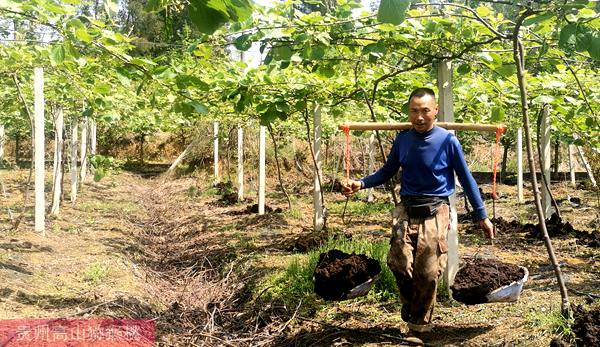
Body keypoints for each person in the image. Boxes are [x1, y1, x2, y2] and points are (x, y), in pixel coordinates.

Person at [342, 87, 494, 333]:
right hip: (406, 208)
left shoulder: (448, 140)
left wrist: (482, 216)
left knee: (428, 271)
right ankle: (412, 305)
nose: (419, 117)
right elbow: (387, 171)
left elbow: (467, 179)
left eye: (425, 111)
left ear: (435, 111)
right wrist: (360, 183)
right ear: (409, 112)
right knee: (399, 263)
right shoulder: (403, 140)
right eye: (414, 111)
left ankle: (419, 326)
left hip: (436, 209)